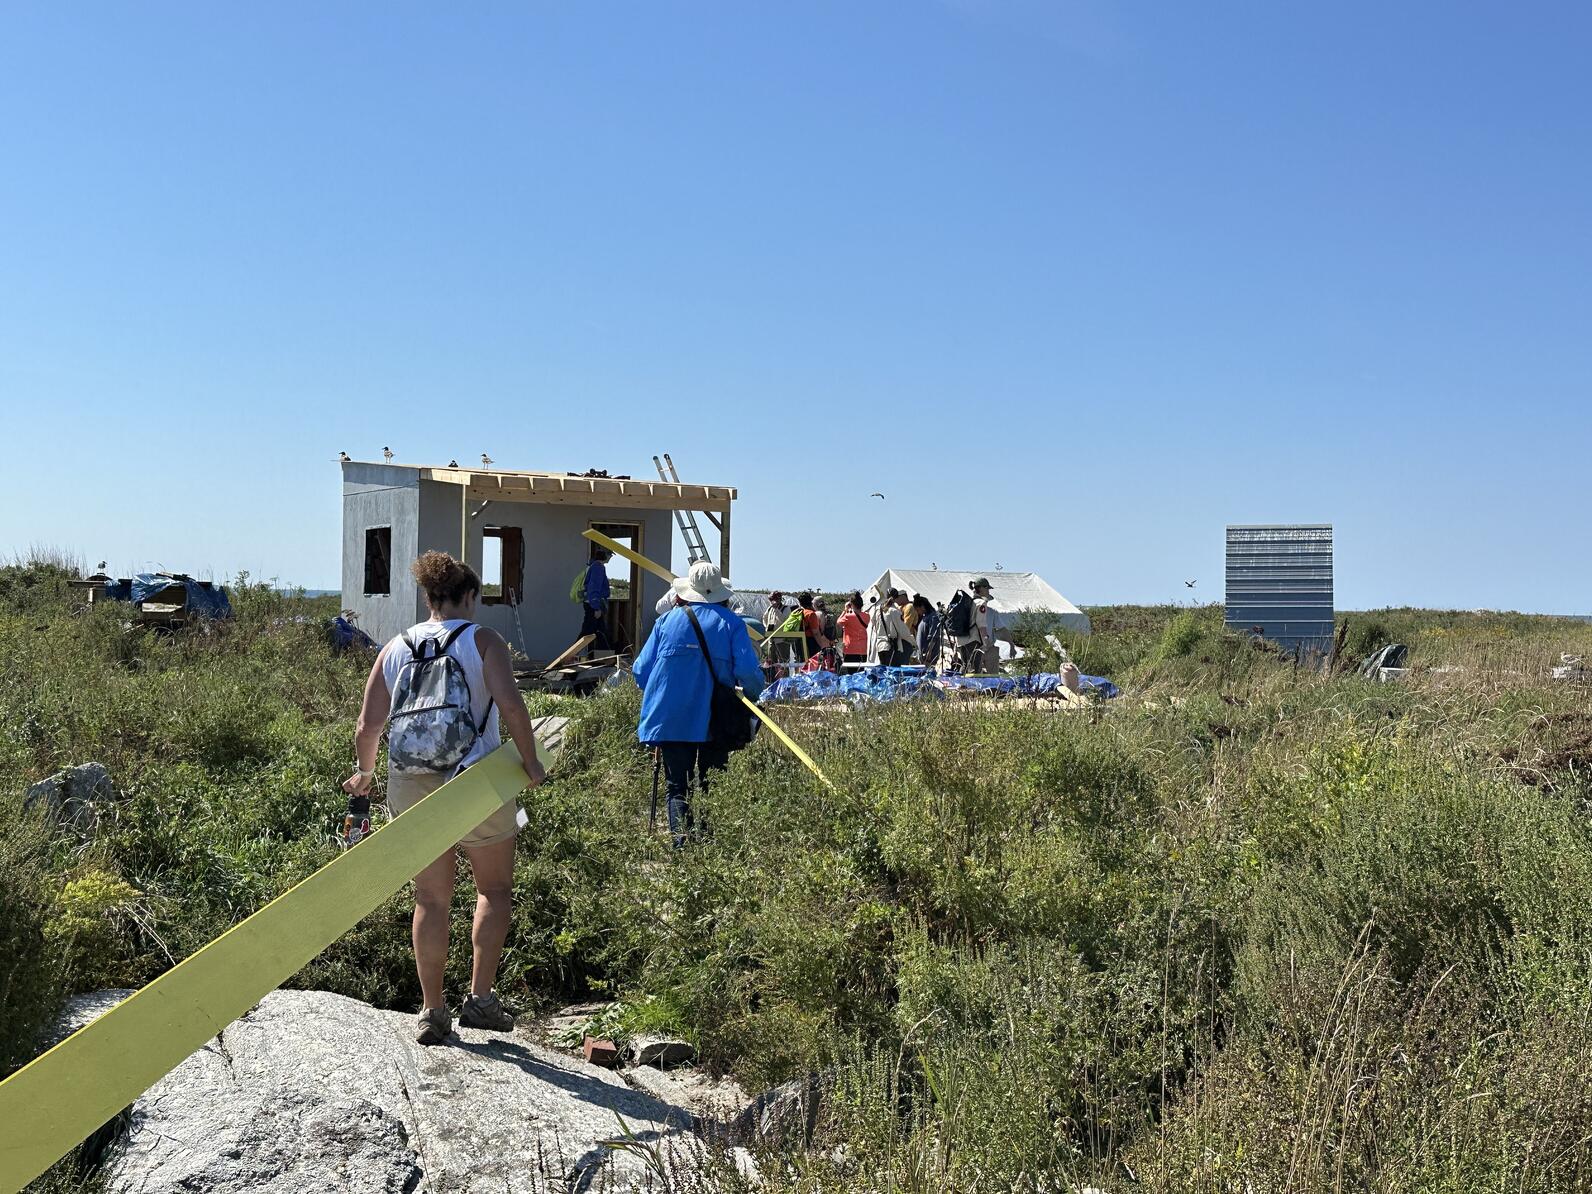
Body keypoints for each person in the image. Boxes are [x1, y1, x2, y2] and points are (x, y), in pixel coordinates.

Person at [344, 551, 546, 1046]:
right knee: (493, 891)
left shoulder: (395, 647)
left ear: (429, 598)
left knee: (431, 899)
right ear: (470, 596)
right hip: (474, 778)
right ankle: (480, 1000)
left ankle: (432, 1012)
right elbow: (511, 704)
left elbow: (368, 726)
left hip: (409, 780)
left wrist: (365, 774)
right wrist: (531, 763)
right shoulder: (483, 640)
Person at [633, 562, 765, 847]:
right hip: (715, 718)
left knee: (677, 787)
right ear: (720, 593)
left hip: (670, 718)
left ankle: (682, 848)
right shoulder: (731, 623)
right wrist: (752, 695)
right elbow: (749, 674)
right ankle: (708, 846)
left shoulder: (665, 622)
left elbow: (640, 672)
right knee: (710, 784)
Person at [954, 577, 997, 673]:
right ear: (981, 588)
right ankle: (973, 687)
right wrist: (986, 641)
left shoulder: (967, 602)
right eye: (987, 588)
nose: (988, 591)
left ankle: (963, 687)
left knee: (965, 666)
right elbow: (981, 624)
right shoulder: (981, 603)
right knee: (974, 669)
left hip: (961, 640)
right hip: (973, 640)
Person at [870, 588, 915, 666]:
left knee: (883, 674)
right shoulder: (894, 611)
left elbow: (874, 627)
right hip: (892, 647)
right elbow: (903, 631)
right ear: (896, 598)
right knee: (893, 674)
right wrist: (913, 642)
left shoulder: (877, 611)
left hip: (880, 646)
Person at [581, 547, 613, 654]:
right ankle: (569, 658)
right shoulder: (598, 568)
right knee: (587, 633)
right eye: (610, 554)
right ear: (604, 555)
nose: (610, 557)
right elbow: (594, 588)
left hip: (592, 604)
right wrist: (596, 608)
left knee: (600, 632)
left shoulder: (593, 566)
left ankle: (606, 658)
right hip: (593, 605)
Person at [837, 592, 871, 665]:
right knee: (861, 673)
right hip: (863, 650)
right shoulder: (867, 616)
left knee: (851, 674)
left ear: (852, 604)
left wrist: (845, 610)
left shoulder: (848, 616)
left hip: (850, 650)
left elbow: (838, 622)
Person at [913, 593, 945, 670]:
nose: (917, 612)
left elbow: (933, 636)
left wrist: (929, 653)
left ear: (923, 606)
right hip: (923, 655)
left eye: (918, 609)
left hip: (929, 655)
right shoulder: (925, 617)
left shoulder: (933, 617)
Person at [795, 592, 830, 660]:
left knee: (801, 663)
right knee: (813, 663)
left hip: (798, 642)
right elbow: (816, 633)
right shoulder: (811, 614)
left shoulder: (797, 612)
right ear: (810, 601)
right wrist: (822, 646)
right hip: (810, 643)